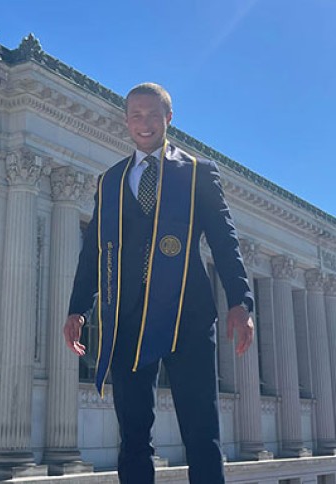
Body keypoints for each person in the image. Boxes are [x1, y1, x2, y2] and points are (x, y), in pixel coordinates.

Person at [63, 82, 254, 484]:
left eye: (153, 115)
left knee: (201, 433)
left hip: (188, 317)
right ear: (126, 121)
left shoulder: (198, 173)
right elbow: (94, 250)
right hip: (127, 321)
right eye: (136, 115)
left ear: (169, 118)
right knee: (133, 437)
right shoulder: (110, 181)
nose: (144, 123)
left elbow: (224, 240)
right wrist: (78, 307)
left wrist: (241, 301)